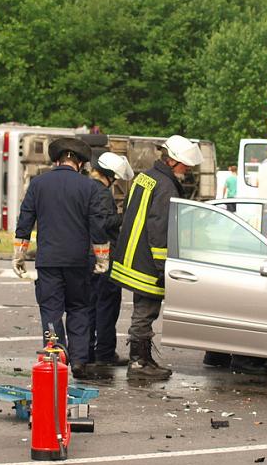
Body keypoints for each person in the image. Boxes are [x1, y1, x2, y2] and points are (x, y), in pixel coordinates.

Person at [12, 137, 108, 380]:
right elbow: (97, 225)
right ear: (80, 163)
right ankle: (79, 361)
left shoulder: (39, 184)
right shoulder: (89, 187)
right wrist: (101, 258)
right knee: (79, 309)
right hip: (78, 261)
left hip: (48, 260)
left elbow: (25, 220)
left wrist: (19, 254)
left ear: (57, 160)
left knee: (51, 310)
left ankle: (56, 356)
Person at [110, 135, 203, 380]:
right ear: (173, 161)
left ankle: (142, 360)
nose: (189, 169)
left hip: (132, 258)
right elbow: (160, 229)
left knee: (142, 310)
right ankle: (140, 363)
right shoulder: (165, 186)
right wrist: (164, 268)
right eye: (186, 165)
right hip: (148, 263)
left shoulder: (145, 178)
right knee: (145, 311)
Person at [87, 152, 134, 368]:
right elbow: (104, 222)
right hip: (104, 255)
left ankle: (86, 350)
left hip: (86, 256)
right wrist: (124, 217)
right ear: (111, 176)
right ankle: (105, 352)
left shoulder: (86, 188)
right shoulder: (103, 193)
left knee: (89, 306)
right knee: (107, 306)